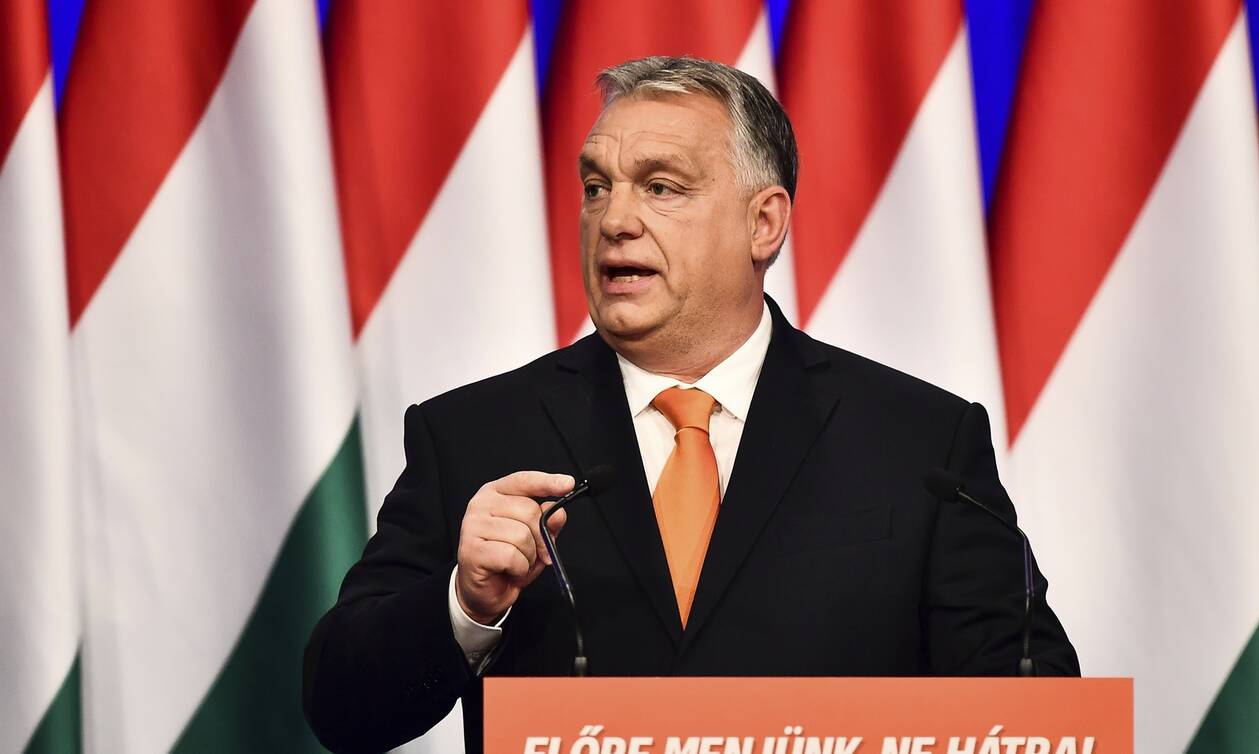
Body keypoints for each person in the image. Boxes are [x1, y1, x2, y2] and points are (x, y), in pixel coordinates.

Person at [303, 56, 1079, 754]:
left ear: (763, 223)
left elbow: (1033, 711)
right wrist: (465, 606)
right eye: (597, 187)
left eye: (661, 187)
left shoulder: (919, 445)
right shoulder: (476, 435)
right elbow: (342, 710)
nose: (614, 220)